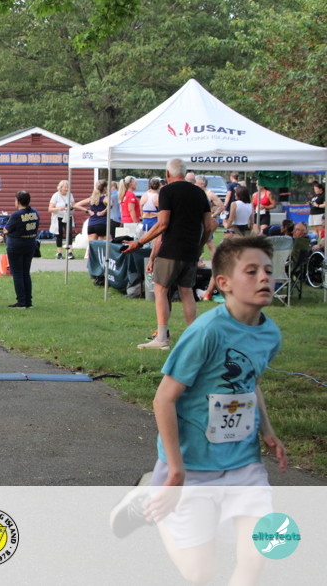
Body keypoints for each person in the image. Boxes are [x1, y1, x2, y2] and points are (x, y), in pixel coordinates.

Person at [110, 236, 287, 586]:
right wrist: (175, 472)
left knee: (258, 557)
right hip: (192, 466)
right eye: (251, 271)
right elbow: (163, 400)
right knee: (202, 574)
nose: (264, 277)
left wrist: (267, 430)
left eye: (268, 270)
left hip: (244, 463)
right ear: (224, 283)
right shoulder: (206, 332)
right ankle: (153, 499)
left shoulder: (270, 334)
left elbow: (250, 382)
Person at [122, 158, 215, 349]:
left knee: (161, 290)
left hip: (171, 249)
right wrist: (199, 246)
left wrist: (139, 242)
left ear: (167, 173)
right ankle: (193, 338)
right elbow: (208, 226)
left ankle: (162, 337)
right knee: (187, 291)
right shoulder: (200, 193)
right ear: (185, 172)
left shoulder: (167, 191)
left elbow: (163, 223)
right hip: (191, 249)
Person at [5, 191, 40, 308]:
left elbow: (6, 230)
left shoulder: (16, 215)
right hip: (30, 243)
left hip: (16, 245)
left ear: (18, 201)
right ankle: (28, 301)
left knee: (17, 274)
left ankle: (21, 301)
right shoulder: (34, 212)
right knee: (26, 273)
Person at [196, 175, 223, 261]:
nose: (195, 184)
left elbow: (221, 206)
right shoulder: (197, 192)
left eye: (196, 183)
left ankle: (215, 262)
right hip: (199, 220)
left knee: (209, 243)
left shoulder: (210, 194)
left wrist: (212, 215)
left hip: (207, 221)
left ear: (202, 184)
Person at [48, 179, 75, 260]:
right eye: (65, 187)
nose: (66, 189)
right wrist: (59, 208)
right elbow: (50, 209)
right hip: (58, 217)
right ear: (60, 187)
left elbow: (73, 205)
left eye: (67, 187)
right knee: (59, 234)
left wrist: (71, 208)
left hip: (68, 216)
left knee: (69, 233)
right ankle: (59, 253)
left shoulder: (70, 195)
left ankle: (70, 252)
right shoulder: (56, 196)